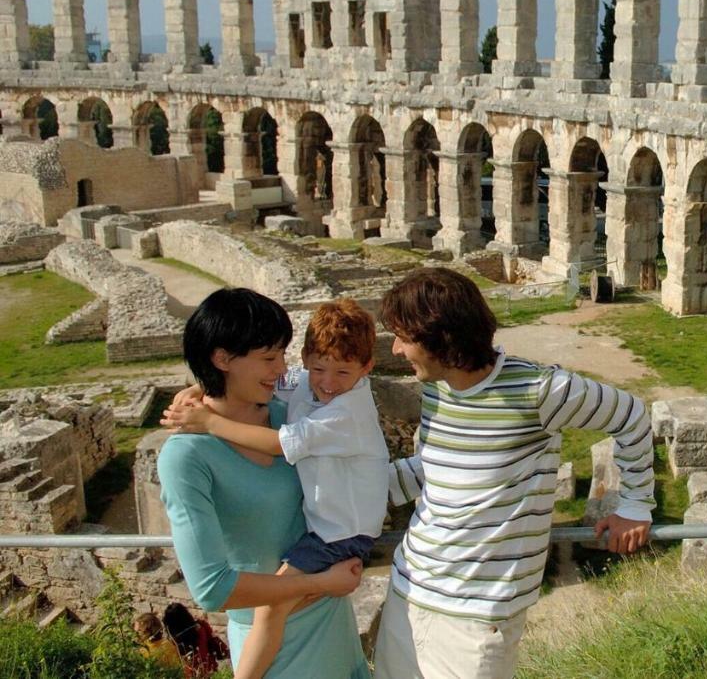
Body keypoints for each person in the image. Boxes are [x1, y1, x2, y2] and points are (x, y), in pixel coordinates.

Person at [372, 267, 656, 679]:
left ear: (440, 337)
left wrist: (635, 504)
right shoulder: (436, 389)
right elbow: (436, 470)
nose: (396, 349)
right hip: (407, 591)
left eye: (404, 336)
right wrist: (354, 490)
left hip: (478, 618)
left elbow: (631, 416)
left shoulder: (540, 392)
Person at [164, 297, 389, 679]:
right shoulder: (185, 456)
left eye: (283, 355)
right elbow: (212, 590)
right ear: (222, 359)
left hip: (334, 624)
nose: (283, 369)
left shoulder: (293, 412)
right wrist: (322, 582)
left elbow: (356, 472)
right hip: (276, 648)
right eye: (270, 359)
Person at [162, 602, 230, 678]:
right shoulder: (201, 626)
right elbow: (213, 641)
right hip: (208, 669)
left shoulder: (172, 641)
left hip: (188, 674)